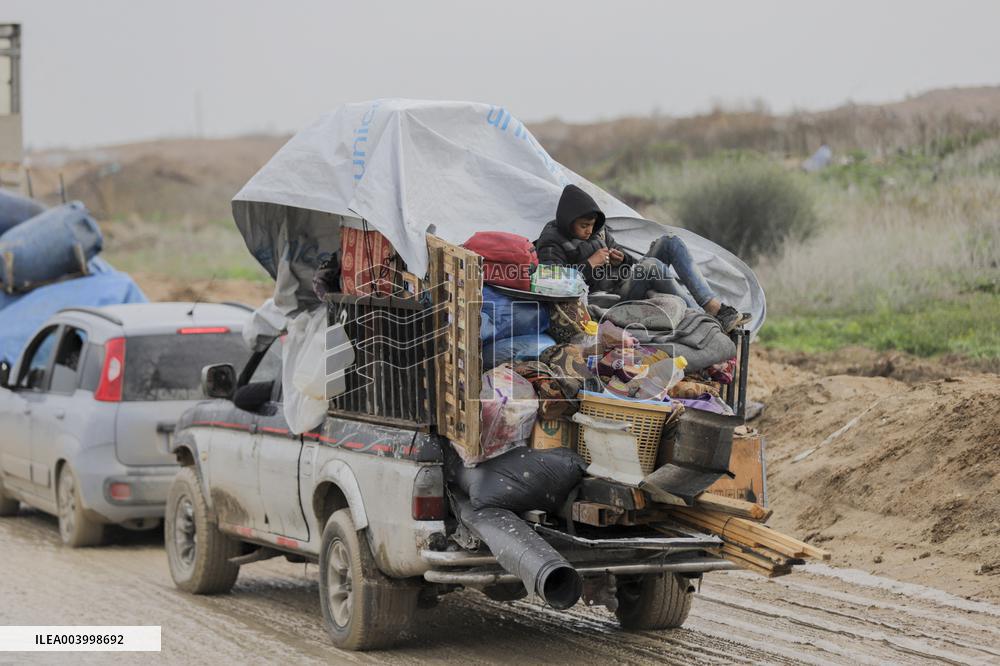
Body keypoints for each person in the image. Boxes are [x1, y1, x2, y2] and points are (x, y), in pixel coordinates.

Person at [534, 184, 751, 333]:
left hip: (624, 282)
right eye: (584, 226)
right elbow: (552, 284)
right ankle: (703, 321)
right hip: (608, 299)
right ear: (568, 221)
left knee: (669, 242)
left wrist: (623, 259)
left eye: (592, 225)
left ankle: (714, 308)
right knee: (650, 266)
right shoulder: (552, 240)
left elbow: (624, 259)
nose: (589, 231)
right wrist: (590, 264)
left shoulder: (598, 231)